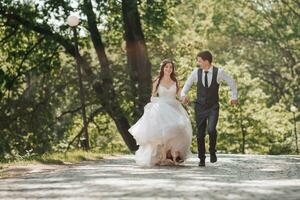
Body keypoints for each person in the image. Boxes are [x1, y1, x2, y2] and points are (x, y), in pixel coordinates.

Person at [129, 59, 192, 166]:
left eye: (171, 67)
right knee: (162, 131)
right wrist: (153, 105)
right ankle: (164, 154)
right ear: (163, 68)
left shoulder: (175, 81)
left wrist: (184, 98)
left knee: (180, 126)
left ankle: (175, 153)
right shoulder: (157, 81)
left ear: (173, 69)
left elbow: (180, 94)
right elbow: (153, 95)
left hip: (174, 107)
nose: (168, 69)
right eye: (166, 67)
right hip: (161, 107)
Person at [181, 51, 237, 167]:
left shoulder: (219, 72)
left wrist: (234, 97)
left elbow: (232, 82)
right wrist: (183, 95)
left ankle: (212, 151)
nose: (198, 63)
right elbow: (186, 85)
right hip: (200, 107)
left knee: (211, 129)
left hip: (213, 107)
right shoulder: (196, 72)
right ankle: (201, 158)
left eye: (199, 61)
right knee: (200, 134)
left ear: (206, 61)